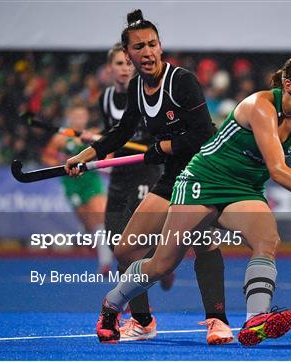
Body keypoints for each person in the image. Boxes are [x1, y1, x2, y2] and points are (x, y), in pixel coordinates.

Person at [93, 52, 291, 346]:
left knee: (267, 239)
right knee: (161, 265)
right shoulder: (261, 106)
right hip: (203, 180)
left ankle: (255, 320)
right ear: (288, 85)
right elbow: (277, 170)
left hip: (243, 189)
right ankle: (111, 307)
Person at [65, 9, 232, 345]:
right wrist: (86, 155)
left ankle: (218, 321)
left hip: (204, 172)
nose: (147, 52)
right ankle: (143, 321)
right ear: (128, 54)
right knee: (125, 250)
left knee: (204, 242)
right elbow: (122, 130)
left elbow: (204, 136)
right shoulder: (138, 86)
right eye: (138, 47)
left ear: (160, 46)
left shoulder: (181, 81)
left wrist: (164, 145)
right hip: (172, 176)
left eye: (152, 44)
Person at [95, 43, 177, 341]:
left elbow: (150, 136)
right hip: (120, 178)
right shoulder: (105, 99)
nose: (125, 68)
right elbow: (115, 135)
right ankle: (161, 262)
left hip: (148, 175)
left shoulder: (147, 94)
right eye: (119, 63)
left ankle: (143, 318)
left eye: (128, 63)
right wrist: (97, 149)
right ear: (111, 68)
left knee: (132, 249)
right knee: (118, 245)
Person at [41, 102, 113, 272]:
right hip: (71, 183)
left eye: (82, 116)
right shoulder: (60, 138)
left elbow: (108, 152)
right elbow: (47, 157)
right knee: (87, 221)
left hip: (91, 179)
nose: (79, 120)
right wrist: (60, 163)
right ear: (70, 117)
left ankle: (105, 262)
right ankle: (92, 239)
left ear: (87, 118)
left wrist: (105, 164)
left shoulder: (94, 134)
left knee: (100, 217)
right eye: (76, 116)